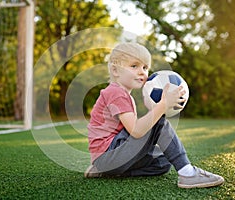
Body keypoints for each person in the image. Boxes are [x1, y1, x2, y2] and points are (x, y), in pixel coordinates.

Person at [84, 42, 224, 188]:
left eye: (145, 67)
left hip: (109, 160)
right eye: (134, 66)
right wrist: (162, 105)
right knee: (158, 121)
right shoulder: (116, 93)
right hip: (109, 154)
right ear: (115, 70)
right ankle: (188, 174)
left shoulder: (123, 94)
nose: (142, 72)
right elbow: (136, 131)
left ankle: (106, 172)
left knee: (163, 162)